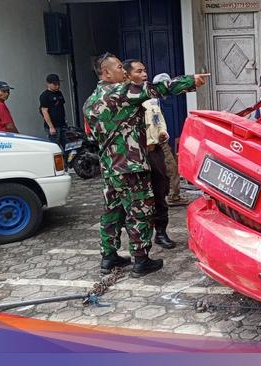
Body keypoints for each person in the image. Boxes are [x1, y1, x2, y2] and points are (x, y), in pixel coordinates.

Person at [83, 52, 207, 277]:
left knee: (112, 211)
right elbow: (156, 89)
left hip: (110, 167)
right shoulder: (119, 92)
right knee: (139, 212)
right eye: (119, 67)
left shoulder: (90, 101)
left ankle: (108, 257)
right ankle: (141, 260)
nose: (123, 71)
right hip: (131, 166)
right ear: (106, 73)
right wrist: (190, 81)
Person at [122, 59, 180, 249]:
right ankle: (140, 240)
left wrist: (163, 132)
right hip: (136, 155)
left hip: (156, 151)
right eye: (139, 71)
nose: (144, 74)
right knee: (139, 198)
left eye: (145, 70)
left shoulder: (151, 95)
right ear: (128, 75)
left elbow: (158, 118)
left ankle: (161, 233)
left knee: (160, 191)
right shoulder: (124, 98)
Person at [40, 74, 67, 158]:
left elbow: (62, 107)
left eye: (58, 84)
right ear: (48, 83)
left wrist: (65, 120)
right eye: (55, 84)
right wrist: (51, 127)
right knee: (55, 147)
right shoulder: (45, 95)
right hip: (53, 126)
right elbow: (44, 111)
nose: (57, 86)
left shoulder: (59, 93)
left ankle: (66, 165)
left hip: (62, 124)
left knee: (66, 145)